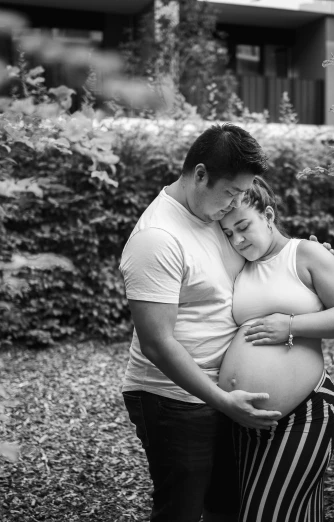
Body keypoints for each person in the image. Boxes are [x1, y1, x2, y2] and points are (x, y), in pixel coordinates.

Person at [119, 123, 282, 522]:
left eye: (243, 194)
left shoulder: (213, 214)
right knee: (182, 511)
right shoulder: (157, 238)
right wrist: (224, 401)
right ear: (200, 175)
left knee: (226, 506)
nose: (235, 203)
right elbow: (158, 343)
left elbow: (259, 254)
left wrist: (306, 262)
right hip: (173, 400)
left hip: (218, 391)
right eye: (230, 193)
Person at [218, 176, 334, 522]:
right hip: (245, 420)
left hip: (305, 412)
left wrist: (289, 325)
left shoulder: (305, 253)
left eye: (244, 227)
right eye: (228, 233)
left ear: (268, 216)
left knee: (265, 515)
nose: (238, 239)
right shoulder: (243, 267)